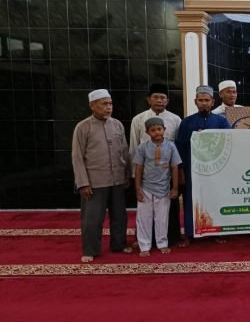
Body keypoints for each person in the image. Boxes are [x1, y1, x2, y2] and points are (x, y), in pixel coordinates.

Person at [71, 89, 132, 263]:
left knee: (119, 216)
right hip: (94, 181)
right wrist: (82, 183)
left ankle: (119, 244)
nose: (109, 107)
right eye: (104, 104)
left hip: (117, 179)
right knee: (92, 219)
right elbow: (77, 157)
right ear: (92, 105)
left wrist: (127, 174)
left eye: (110, 104)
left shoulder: (117, 125)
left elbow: (124, 151)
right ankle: (91, 250)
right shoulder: (83, 127)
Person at [176, 85, 231, 245]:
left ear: (212, 102)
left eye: (207, 100)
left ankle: (217, 232)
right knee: (191, 200)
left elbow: (229, 143)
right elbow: (180, 147)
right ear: (195, 102)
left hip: (215, 170)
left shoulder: (221, 121)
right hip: (192, 169)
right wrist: (182, 171)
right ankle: (190, 233)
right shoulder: (186, 122)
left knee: (215, 198)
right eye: (201, 100)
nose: (204, 103)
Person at [129, 83, 182, 246]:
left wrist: (176, 182)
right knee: (145, 210)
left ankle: (170, 239)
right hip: (146, 175)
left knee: (168, 210)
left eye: (162, 98)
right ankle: (143, 240)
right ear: (148, 99)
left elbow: (176, 149)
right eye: (155, 97)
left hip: (167, 175)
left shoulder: (176, 120)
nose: (159, 100)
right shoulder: (138, 119)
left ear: (167, 101)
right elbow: (133, 147)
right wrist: (135, 179)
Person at [133, 117, 182, 256]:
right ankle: (144, 245)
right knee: (144, 218)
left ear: (164, 130)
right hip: (146, 188)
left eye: (159, 129)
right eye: (153, 130)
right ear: (147, 132)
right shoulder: (143, 147)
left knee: (162, 218)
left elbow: (175, 167)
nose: (156, 132)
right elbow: (138, 168)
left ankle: (162, 243)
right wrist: (137, 188)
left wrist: (175, 188)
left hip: (164, 188)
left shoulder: (171, 146)